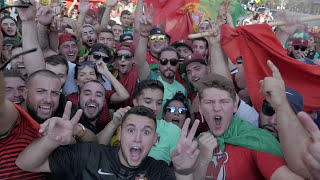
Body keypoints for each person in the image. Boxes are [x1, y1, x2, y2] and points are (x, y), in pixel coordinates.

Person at [16, 105, 199, 180]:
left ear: (155, 140)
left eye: (146, 132)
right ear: (119, 134)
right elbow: (25, 163)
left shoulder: (158, 171)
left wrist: (184, 170)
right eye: (130, 130)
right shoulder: (89, 155)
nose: (137, 138)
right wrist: (50, 140)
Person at [194, 72, 302, 179]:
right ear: (200, 108)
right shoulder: (200, 141)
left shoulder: (257, 139)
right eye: (209, 102)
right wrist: (202, 161)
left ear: (235, 106)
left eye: (224, 101)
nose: (216, 108)